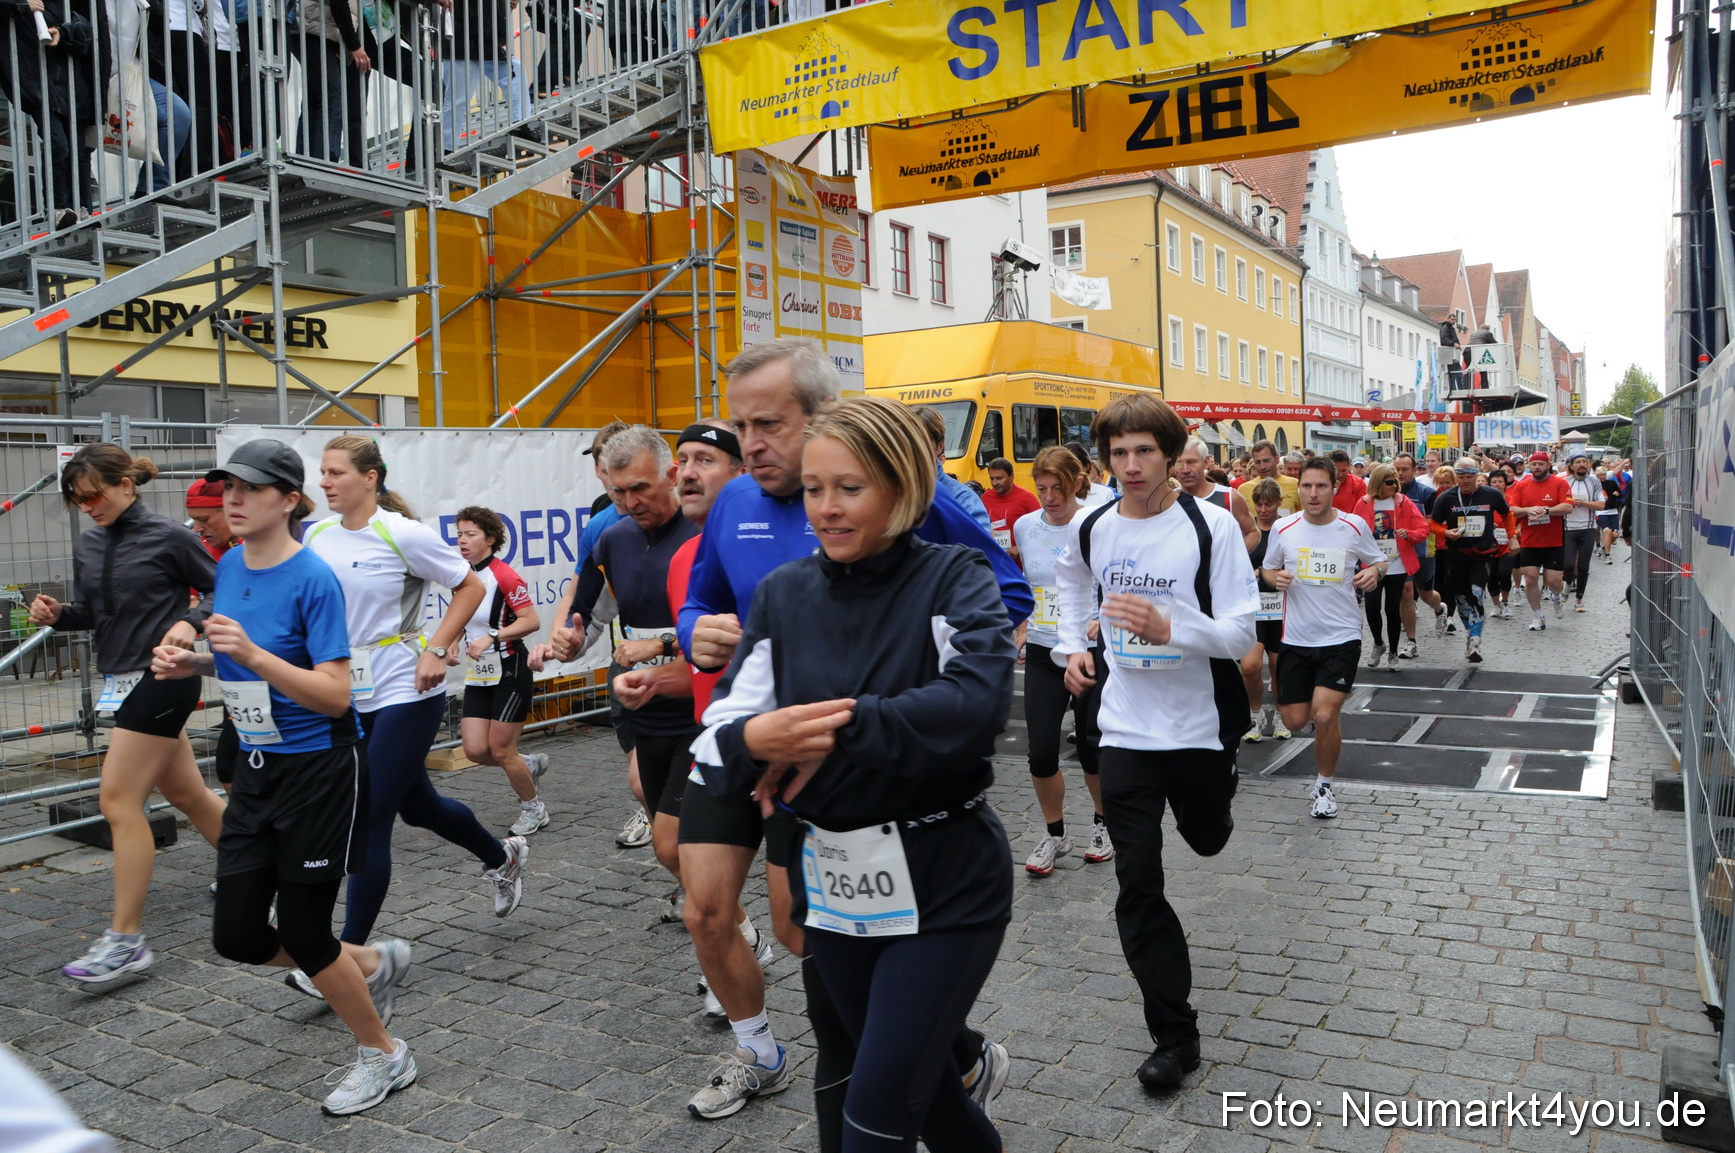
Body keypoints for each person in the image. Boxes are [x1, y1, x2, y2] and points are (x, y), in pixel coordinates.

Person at [679, 338, 1022, 1134]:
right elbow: (721, 732)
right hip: (834, 881)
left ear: (898, 489)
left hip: (946, 879)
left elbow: (973, 707)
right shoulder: (784, 592)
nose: (825, 508)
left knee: (874, 1112)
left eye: (848, 489)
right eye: (813, 489)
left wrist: (820, 729)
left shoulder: (953, 575)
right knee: (928, 1099)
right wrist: (758, 736)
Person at [151, 439, 414, 1116]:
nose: (233, 499)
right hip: (256, 766)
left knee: (303, 928)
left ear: (289, 500)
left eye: (250, 488)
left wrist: (250, 654)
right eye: (228, 488)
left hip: (320, 769)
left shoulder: (313, 577)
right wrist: (196, 665)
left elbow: (334, 693)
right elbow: (239, 661)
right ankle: (366, 962)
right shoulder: (230, 564)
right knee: (236, 934)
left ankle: (384, 1053)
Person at [1053, 393, 1255, 1091]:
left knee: (1206, 838)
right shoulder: (1093, 525)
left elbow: (1240, 633)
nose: (1131, 465)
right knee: (1137, 882)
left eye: (1144, 450)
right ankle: (1174, 1036)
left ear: (1170, 454)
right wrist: (1071, 647)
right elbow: (1070, 585)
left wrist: (1174, 628)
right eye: (1118, 453)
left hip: (1199, 730)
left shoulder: (1209, 525)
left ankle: (1217, 803)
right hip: (1127, 730)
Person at [285, 435, 528, 1000]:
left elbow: (469, 587)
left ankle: (348, 960)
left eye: (336, 472)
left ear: (370, 477)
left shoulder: (402, 533)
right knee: (419, 807)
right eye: (323, 472)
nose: (324, 482)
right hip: (348, 691)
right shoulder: (316, 536)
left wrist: (436, 648)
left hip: (405, 686)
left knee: (368, 814)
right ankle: (502, 855)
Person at [32, 445, 225, 984]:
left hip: (163, 677)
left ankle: (126, 941)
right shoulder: (89, 543)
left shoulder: (170, 536)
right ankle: (263, 872)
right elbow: (94, 615)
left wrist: (191, 620)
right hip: (122, 680)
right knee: (188, 795)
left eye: (94, 495)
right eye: (78, 499)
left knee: (117, 801)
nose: (87, 506)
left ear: (125, 485)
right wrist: (58, 615)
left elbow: (223, 587)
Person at [610, 422, 777, 1042]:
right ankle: (758, 1050)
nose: (687, 473)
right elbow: (706, 668)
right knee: (692, 891)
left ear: (741, 472)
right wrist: (656, 680)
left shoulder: (785, 536)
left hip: (794, 742)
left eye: (704, 459)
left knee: (802, 923)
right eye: (683, 460)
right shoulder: (684, 558)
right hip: (716, 739)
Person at [562, 426, 698, 918]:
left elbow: (734, 625)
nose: (630, 502)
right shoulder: (613, 539)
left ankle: (734, 930)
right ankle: (709, 907)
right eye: (618, 491)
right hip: (646, 712)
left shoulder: (704, 534)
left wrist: (660, 644)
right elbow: (589, 620)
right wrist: (571, 643)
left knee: (672, 841)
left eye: (640, 487)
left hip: (701, 712)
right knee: (667, 835)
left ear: (672, 474)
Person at [1262, 457, 1387, 818]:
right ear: (1298, 489)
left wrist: (1374, 574)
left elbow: (1380, 560)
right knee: (1294, 720)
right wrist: (1274, 579)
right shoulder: (1284, 528)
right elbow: (1268, 569)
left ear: (1335, 488)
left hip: (1341, 636)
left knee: (1325, 713)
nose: (1313, 493)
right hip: (1296, 639)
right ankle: (1319, 721)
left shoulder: (1353, 526)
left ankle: (1324, 787)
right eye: (1307, 486)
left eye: (1321, 486)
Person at [1013, 445, 1109, 877]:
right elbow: (1028, 583)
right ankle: (1055, 834)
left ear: (1076, 484)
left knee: (1091, 748)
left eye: (1058, 488)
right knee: (1040, 751)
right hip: (1042, 648)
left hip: (1088, 649)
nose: (1050, 497)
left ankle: (1103, 824)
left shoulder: (1097, 524)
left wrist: (1102, 617)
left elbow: (1114, 580)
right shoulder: (1025, 526)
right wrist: (1021, 624)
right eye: (1042, 489)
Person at [453, 505, 549, 837]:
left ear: (490, 539)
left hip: (510, 669)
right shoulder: (461, 575)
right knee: (474, 750)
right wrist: (451, 642)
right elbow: (463, 617)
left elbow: (531, 621)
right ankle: (527, 764)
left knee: (501, 749)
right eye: (459, 534)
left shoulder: (504, 575)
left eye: (470, 534)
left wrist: (492, 637)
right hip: (480, 673)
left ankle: (534, 809)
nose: (462, 540)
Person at [1427, 459, 1510, 662]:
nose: (1465, 480)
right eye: (1461, 476)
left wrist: (1513, 537)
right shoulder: (1446, 497)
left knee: (1476, 594)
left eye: (1470, 476)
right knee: (1461, 598)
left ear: (1477, 474)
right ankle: (1470, 632)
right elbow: (1433, 523)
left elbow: (1507, 514)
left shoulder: (1491, 494)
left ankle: (1475, 640)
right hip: (1456, 555)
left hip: (1483, 554)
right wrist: (1446, 532)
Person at [1352, 463, 1426, 669]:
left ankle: (1393, 652)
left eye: (1395, 482)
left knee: (1392, 609)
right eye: (1389, 482)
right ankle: (1378, 643)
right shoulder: (1363, 503)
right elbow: (1353, 531)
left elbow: (1423, 529)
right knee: (1372, 607)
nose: (1394, 486)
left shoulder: (1404, 502)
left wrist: (1408, 534)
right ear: (1378, 483)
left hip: (1397, 564)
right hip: (1372, 565)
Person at [1240, 478, 1290, 742]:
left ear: (1279, 502)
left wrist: (1279, 574)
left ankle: (1281, 715)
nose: (1263, 509)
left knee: (1277, 666)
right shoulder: (1249, 531)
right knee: (1250, 666)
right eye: (1258, 504)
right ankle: (1255, 714)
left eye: (1268, 504)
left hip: (1282, 608)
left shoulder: (1287, 529)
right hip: (1254, 608)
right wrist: (1250, 573)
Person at [1506, 451, 1574, 630]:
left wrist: (1546, 510)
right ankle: (1538, 616)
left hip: (1554, 541)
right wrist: (1528, 510)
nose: (1537, 467)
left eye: (1541, 464)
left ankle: (1555, 597)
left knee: (1554, 582)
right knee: (1530, 578)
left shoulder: (1560, 483)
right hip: (1530, 541)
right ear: (1529, 465)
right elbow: (1512, 509)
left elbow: (1568, 506)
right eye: (1534, 464)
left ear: (1548, 465)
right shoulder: (1522, 486)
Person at [1391, 453, 1444, 656]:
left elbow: (1432, 524)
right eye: (1397, 469)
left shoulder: (1427, 493)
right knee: (1406, 591)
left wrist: (1412, 530)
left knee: (1425, 594)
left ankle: (1439, 609)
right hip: (1398, 552)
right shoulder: (1387, 492)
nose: (1400, 473)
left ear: (1414, 470)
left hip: (1422, 549)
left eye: (1405, 469)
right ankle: (1411, 642)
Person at [914, 405, 992, 531]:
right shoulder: (890, 494)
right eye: (906, 441)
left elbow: (979, 542)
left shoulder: (963, 501)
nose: (912, 449)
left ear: (940, 445)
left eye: (921, 442)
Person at [1176, 437, 1260, 551]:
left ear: (1205, 462)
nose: (1185, 470)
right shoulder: (1167, 501)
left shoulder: (1230, 497)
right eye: (1179, 463)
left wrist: (1233, 557)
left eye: (1192, 462)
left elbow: (1253, 532)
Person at [1561, 451, 1604, 612]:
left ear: (1588, 465)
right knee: (1568, 564)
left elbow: (1601, 505)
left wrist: (1583, 503)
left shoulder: (1594, 482)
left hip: (1588, 528)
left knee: (1583, 565)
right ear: (1571, 466)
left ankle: (1579, 599)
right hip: (1568, 528)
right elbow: (1559, 503)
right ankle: (1568, 583)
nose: (1582, 465)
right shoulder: (1564, 482)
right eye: (1578, 462)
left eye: (1584, 462)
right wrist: (1569, 504)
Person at [980, 457, 1039, 561]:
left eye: (999, 478)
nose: (995, 483)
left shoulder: (1027, 498)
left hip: (1019, 562)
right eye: (992, 478)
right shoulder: (985, 498)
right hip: (994, 560)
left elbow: (1041, 528)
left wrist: (1020, 548)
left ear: (1011, 476)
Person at [1484, 469, 1518, 619]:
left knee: (1504, 573)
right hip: (1490, 544)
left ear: (1505, 483)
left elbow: (1520, 517)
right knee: (1491, 575)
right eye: (1494, 482)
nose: (1497, 484)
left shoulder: (1512, 500)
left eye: (1500, 482)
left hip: (1508, 544)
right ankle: (1496, 605)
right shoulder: (1485, 501)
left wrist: (1517, 530)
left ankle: (1505, 602)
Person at [186, 479, 239, 560]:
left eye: (203, 519)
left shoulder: (256, 552)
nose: (196, 529)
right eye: (194, 519)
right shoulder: (196, 550)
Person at [1245, 439, 1299, 514]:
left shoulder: (1295, 485)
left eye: (1266, 461)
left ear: (1277, 459)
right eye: (1257, 462)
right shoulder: (1244, 489)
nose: (1262, 467)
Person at [1328, 449, 1367, 515]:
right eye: (1337, 471)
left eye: (1344, 470)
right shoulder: (1321, 483)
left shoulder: (1358, 483)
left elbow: (1363, 509)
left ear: (1349, 466)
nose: (1341, 474)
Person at [1599, 464, 1625, 562]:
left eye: (1604, 474)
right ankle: (1607, 555)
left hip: (1613, 510)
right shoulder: (1595, 485)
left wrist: (1617, 494)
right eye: (1601, 475)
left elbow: (1620, 493)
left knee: (1615, 535)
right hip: (1601, 512)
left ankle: (1603, 548)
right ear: (1597, 475)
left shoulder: (1612, 483)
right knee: (1608, 531)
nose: (1603, 477)